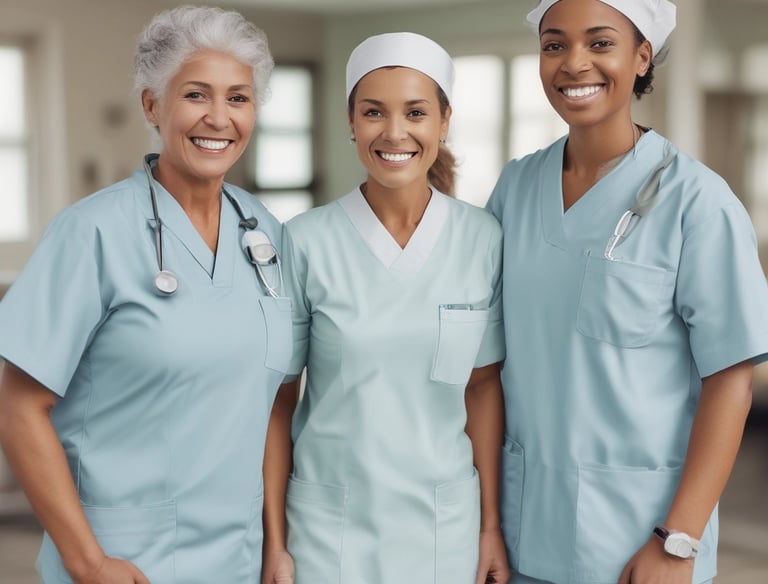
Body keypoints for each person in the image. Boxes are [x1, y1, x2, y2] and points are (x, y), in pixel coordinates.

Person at [0, 6, 291, 583]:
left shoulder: (266, 234)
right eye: (195, 95)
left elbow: (276, 401)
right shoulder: (93, 231)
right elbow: (17, 406)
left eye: (238, 97)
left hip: (238, 558)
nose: (219, 117)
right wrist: (88, 562)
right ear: (152, 105)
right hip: (122, 561)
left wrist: (275, 544)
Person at [486, 1, 768, 583]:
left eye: (600, 43)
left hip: (641, 540)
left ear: (642, 57)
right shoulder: (515, 187)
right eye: (554, 44)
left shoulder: (697, 202)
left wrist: (677, 540)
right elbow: (488, 362)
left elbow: (731, 381)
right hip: (522, 532)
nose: (573, 63)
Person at [261, 32, 511, 584]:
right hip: (328, 527)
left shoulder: (482, 238)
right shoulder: (304, 241)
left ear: (444, 122)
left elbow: (483, 388)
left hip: (444, 527)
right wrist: (275, 541)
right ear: (351, 122)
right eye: (374, 112)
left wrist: (490, 527)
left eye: (416, 112)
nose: (394, 132)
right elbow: (278, 402)